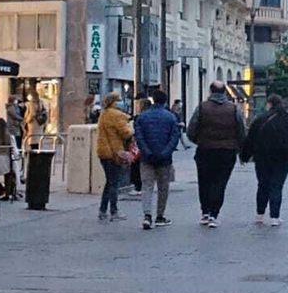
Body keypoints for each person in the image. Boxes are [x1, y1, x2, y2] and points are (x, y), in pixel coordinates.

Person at [187, 80, 245, 226]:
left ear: (210, 92)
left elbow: (191, 129)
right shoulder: (233, 109)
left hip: (205, 150)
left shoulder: (202, 107)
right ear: (225, 92)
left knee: (204, 181)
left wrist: (199, 141)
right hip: (227, 151)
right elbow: (241, 130)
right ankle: (214, 214)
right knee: (220, 182)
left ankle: (205, 212)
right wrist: (238, 146)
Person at [242, 94, 288, 226]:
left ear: (269, 104)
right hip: (283, 159)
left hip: (262, 157)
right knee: (276, 185)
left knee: (263, 185)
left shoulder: (260, 120)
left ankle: (260, 214)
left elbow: (250, 138)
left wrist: (245, 155)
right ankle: (275, 216)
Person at [133, 89, 182, 229]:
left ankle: (147, 215)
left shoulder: (142, 117)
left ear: (153, 100)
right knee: (163, 187)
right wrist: (166, 152)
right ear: (165, 101)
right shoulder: (171, 117)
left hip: (147, 158)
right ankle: (160, 216)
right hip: (164, 159)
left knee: (147, 186)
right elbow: (174, 137)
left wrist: (146, 151)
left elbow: (139, 137)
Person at [95, 91, 133, 221]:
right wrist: (132, 128)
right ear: (114, 102)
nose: (122, 102)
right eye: (119, 100)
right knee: (114, 183)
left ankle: (103, 210)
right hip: (114, 152)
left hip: (103, 152)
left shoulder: (104, 114)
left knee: (109, 181)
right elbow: (126, 133)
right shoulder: (116, 115)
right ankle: (114, 211)